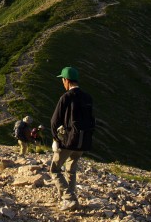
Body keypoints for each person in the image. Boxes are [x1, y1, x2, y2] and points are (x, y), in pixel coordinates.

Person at [50, 66, 95, 211]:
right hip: (83, 141)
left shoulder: (66, 97)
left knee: (55, 170)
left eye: (62, 80)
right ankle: (68, 198)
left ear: (66, 80)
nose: (62, 83)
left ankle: (69, 198)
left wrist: (56, 139)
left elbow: (54, 121)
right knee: (71, 170)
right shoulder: (87, 97)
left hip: (69, 140)